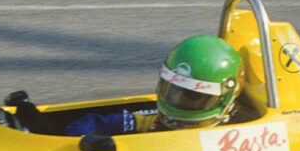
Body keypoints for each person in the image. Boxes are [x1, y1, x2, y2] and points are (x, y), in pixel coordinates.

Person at [66, 36, 244, 136]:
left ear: (225, 98)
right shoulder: (153, 121)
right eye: (172, 91)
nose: (176, 101)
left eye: (192, 97)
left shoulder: (241, 139)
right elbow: (87, 125)